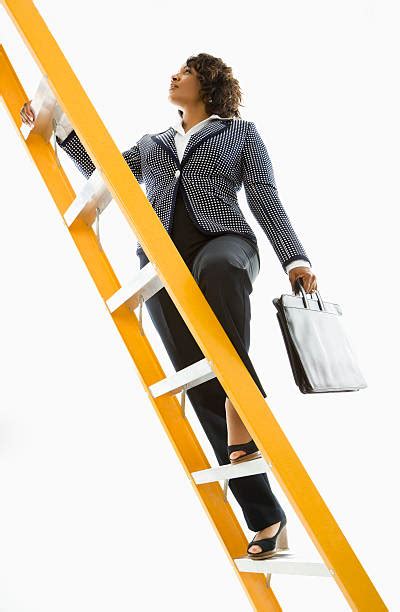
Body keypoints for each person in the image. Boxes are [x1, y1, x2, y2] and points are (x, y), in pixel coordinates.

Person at [20, 52, 318, 559]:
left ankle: (244, 405)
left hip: (225, 243)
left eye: (185, 71)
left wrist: (295, 259)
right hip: (162, 262)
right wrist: (61, 132)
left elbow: (266, 198)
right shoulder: (154, 143)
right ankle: (267, 519)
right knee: (201, 384)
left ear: (209, 83)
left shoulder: (241, 134)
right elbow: (105, 172)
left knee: (217, 271)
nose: (174, 75)